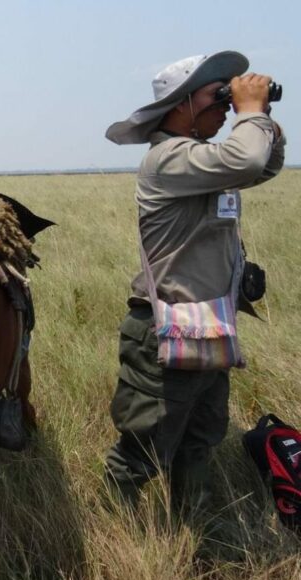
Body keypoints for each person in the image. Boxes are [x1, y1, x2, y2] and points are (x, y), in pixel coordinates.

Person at [103, 51, 286, 515]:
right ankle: (118, 530)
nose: (226, 104)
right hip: (166, 329)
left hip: (209, 324)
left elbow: (262, 164)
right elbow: (246, 159)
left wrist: (261, 115)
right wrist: (250, 112)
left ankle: (194, 527)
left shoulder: (201, 162)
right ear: (182, 104)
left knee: (200, 442)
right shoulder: (169, 160)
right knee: (144, 450)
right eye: (217, 94)